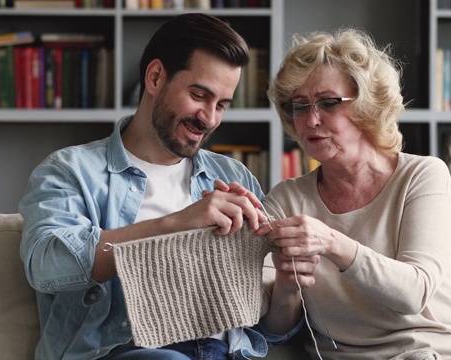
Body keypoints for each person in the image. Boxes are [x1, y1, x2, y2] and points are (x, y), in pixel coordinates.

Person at [18, 13, 288, 360]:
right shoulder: (70, 170)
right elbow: (47, 264)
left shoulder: (232, 175)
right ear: (156, 77)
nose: (209, 118)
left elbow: (266, 327)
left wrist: (289, 282)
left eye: (221, 105)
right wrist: (175, 224)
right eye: (198, 95)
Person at [254, 28, 451, 359]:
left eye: (328, 103)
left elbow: (413, 294)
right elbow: (271, 330)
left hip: (447, 353)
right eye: (299, 106)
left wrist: (332, 242)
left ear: (368, 105)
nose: (311, 119)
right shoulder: (286, 200)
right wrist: (287, 287)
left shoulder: (422, 175)